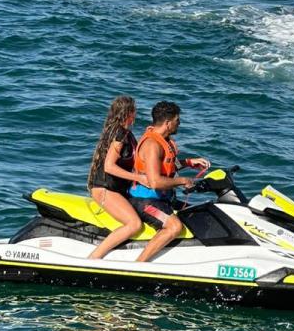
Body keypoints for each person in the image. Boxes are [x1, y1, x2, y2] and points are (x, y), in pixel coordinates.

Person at [129, 101, 209, 263]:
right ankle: (139, 265)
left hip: (161, 199)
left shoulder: (162, 141)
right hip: (145, 202)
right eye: (177, 120)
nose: (179, 123)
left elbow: (165, 167)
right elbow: (155, 182)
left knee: (199, 212)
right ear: (167, 123)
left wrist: (188, 162)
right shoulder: (152, 145)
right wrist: (182, 181)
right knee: (175, 227)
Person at [87, 95, 147, 259]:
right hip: (105, 189)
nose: (136, 114)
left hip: (116, 190)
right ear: (129, 113)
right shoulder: (120, 134)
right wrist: (139, 178)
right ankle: (93, 259)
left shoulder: (124, 133)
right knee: (134, 224)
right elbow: (109, 166)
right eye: (134, 110)